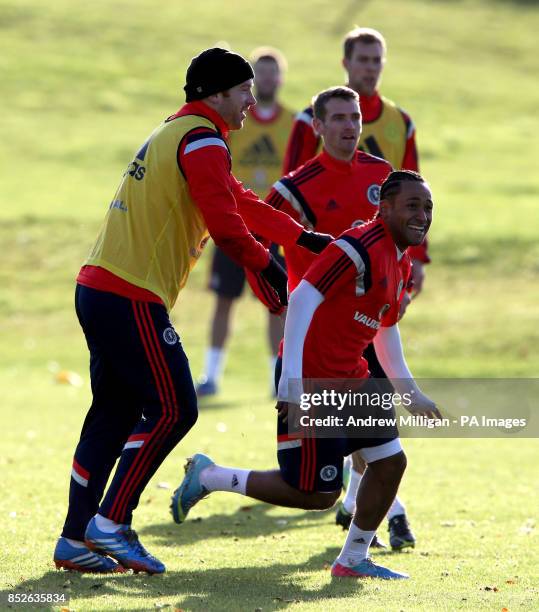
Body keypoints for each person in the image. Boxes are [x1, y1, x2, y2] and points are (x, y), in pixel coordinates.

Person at [53, 47, 332, 575]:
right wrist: (268, 270)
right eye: (243, 89)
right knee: (176, 407)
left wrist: (302, 239)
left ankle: (74, 539)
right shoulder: (202, 139)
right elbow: (227, 227)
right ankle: (110, 525)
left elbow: (242, 204)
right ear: (217, 93)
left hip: (100, 288)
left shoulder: (184, 133)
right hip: (129, 294)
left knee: (112, 415)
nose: (251, 100)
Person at [171, 170, 441, 580]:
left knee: (390, 464)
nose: (422, 215)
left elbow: (385, 328)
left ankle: (352, 561)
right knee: (318, 494)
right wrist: (292, 386)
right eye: (412, 206)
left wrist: (411, 393)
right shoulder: (357, 246)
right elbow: (300, 298)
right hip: (314, 379)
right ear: (383, 209)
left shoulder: (400, 259)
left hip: (353, 377)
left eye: (427, 207)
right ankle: (210, 476)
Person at [284, 27, 429, 544]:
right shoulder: (310, 120)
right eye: (362, 58)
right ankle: (382, 511)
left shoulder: (399, 124)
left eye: (377, 59)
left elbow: (412, 192)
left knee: (372, 397)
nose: (371, 66)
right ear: (346, 62)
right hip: (326, 294)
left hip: (378, 285)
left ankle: (363, 507)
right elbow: (288, 203)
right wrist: (280, 286)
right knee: (357, 408)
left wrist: (416, 259)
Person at [197, 47, 295, 397]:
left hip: (274, 226)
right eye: (260, 73)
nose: (266, 79)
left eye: (273, 72)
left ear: (281, 78)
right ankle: (211, 376)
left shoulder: (293, 123)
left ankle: (276, 378)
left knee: (278, 301)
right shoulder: (234, 118)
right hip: (233, 224)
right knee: (224, 300)